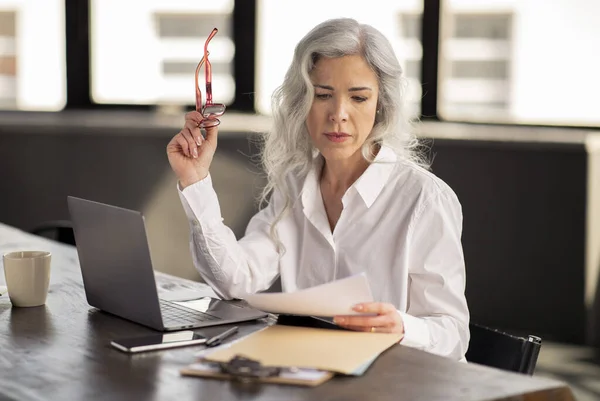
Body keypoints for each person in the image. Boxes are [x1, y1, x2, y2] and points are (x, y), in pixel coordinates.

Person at [167, 18, 469, 360]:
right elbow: (237, 280)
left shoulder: (425, 199)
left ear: (380, 105)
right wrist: (195, 180)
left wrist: (402, 326)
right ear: (301, 102)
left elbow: (453, 334)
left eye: (358, 97)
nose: (338, 114)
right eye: (323, 95)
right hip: (310, 374)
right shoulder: (295, 185)